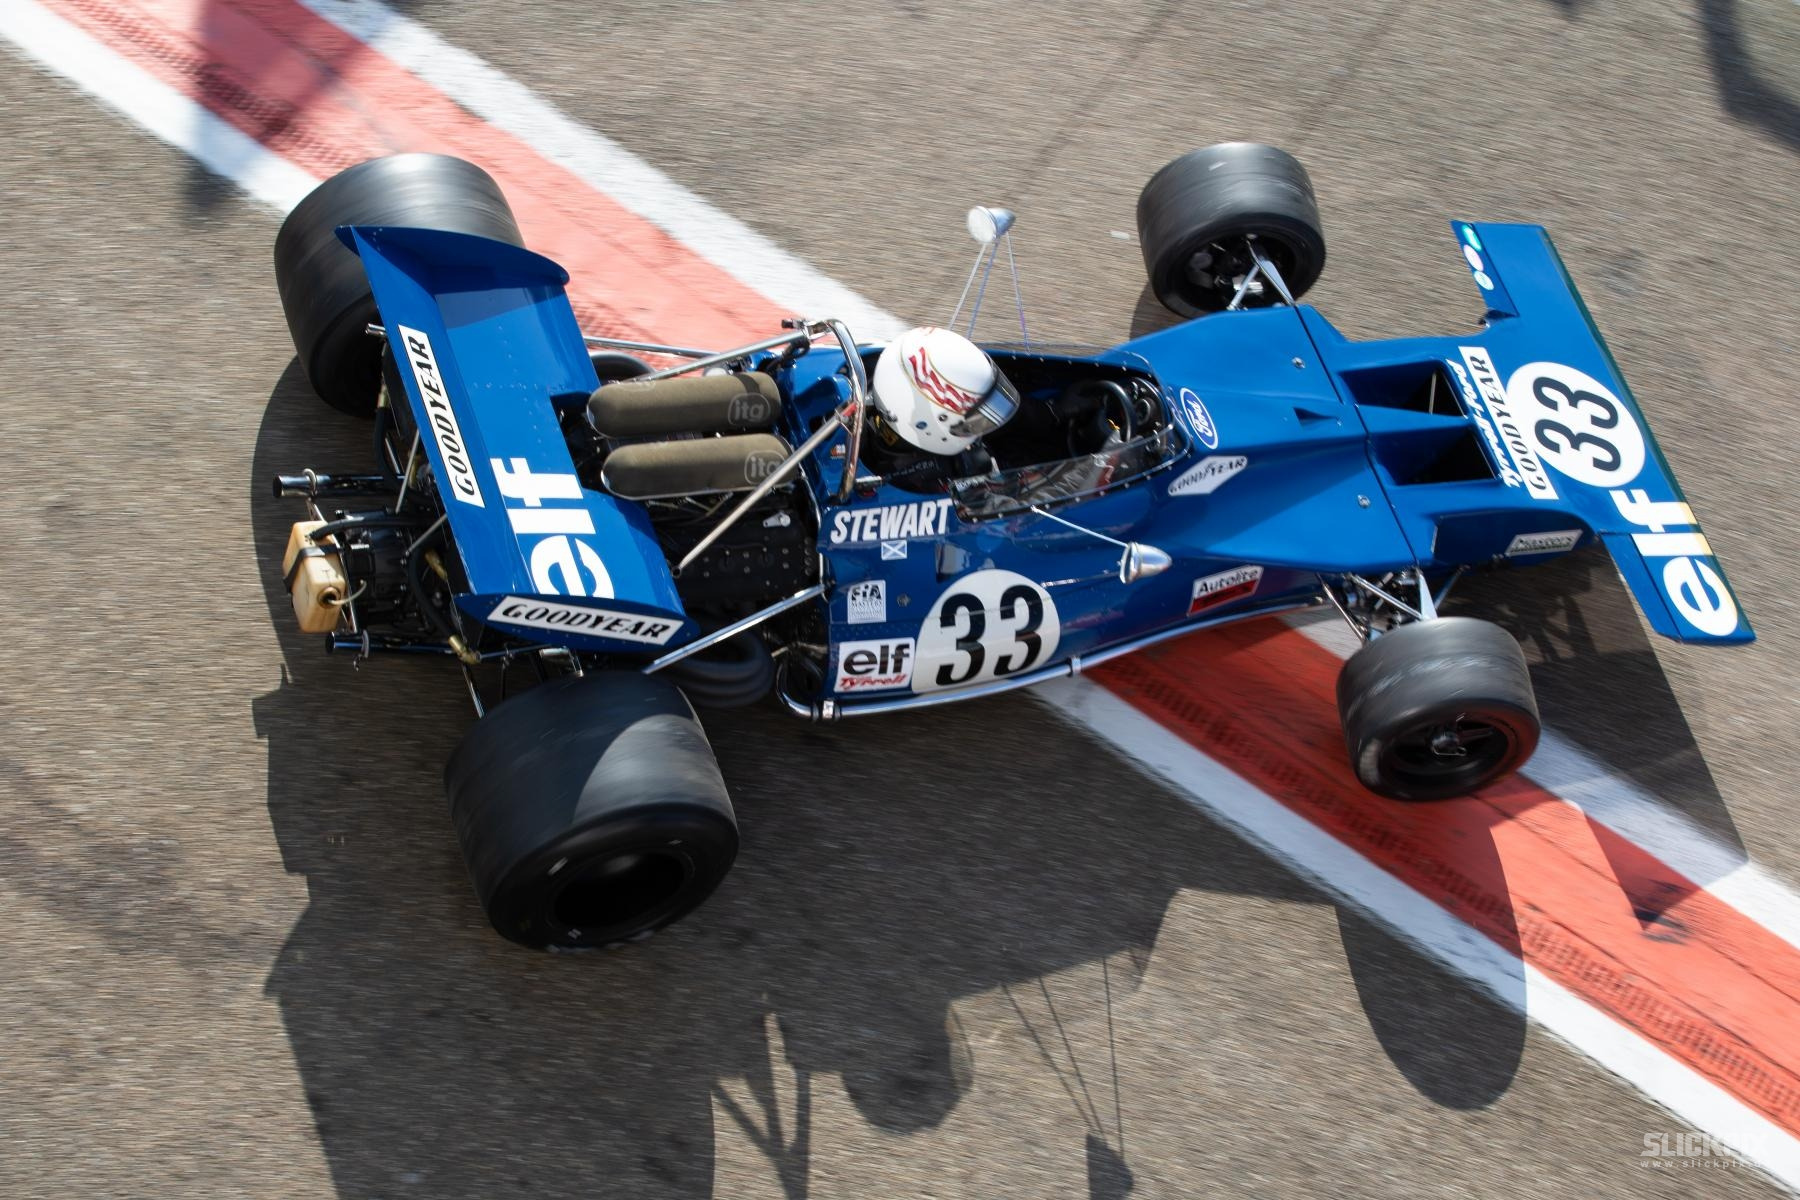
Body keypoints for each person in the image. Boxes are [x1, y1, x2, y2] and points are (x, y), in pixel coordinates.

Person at [865, 326, 1020, 490]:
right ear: (925, 424)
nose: (980, 430)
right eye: (974, 423)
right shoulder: (921, 482)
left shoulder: (886, 386)